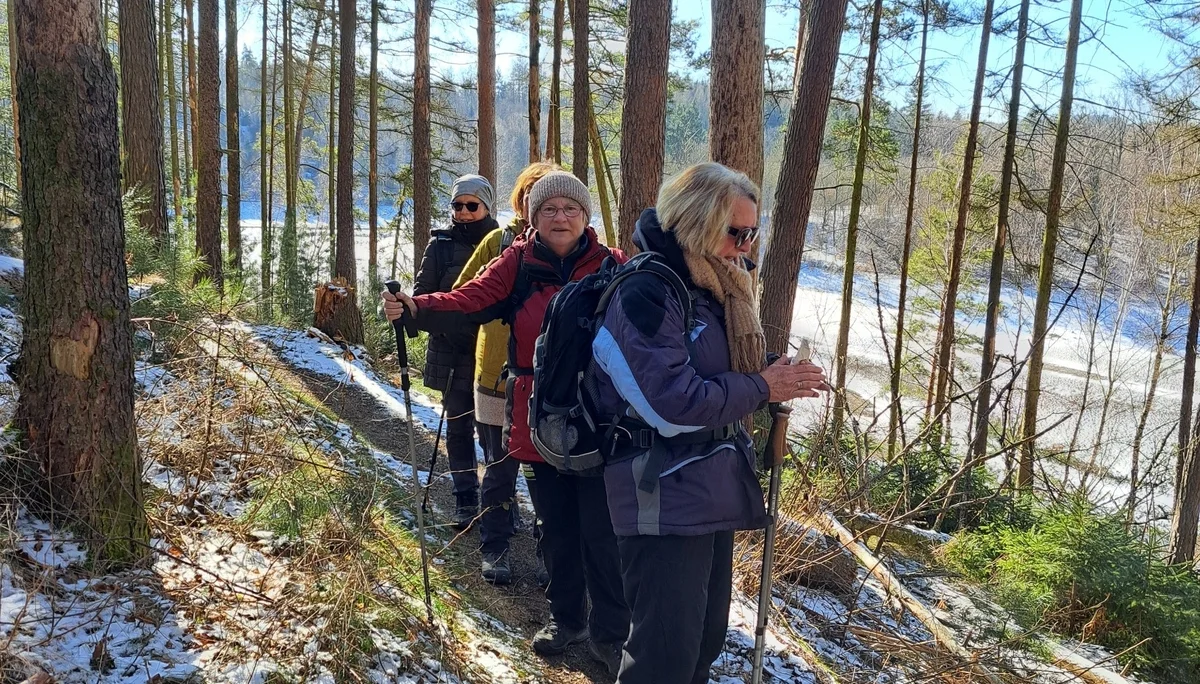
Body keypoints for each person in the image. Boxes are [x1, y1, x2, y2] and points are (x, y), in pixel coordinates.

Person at [589, 162, 830, 684]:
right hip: (659, 489)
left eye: (752, 231)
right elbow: (670, 403)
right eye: (735, 231)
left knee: (701, 647)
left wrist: (774, 370)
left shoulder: (718, 288)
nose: (746, 245)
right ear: (697, 220)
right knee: (663, 658)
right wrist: (764, 386)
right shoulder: (647, 292)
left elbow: (719, 367)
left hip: (711, 483)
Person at [383, 171, 631, 672]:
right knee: (556, 524)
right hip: (537, 415)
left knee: (601, 530)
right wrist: (415, 306)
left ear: (586, 216)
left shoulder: (612, 266)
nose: (560, 217)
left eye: (570, 208)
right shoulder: (516, 262)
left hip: (598, 419)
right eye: (549, 209)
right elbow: (468, 299)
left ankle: (611, 632)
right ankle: (567, 619)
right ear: (533, 217)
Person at [452, 162, 559, 585]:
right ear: (521, 200)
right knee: (499, 467)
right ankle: (494, 546)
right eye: (532, 193)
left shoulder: (571, 248)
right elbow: (466, 294)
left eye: (548, 195)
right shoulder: (499, 241)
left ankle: (549, 552)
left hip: (550, 381)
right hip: (496, 374)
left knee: (547, 474)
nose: (540, 201)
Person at [413, 174, 498, 530]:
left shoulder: (503, 244)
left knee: (493, 430)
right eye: (457, 205)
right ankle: (466, 497)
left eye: (471, 205)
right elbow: (421, 299)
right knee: (459, 427)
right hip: (452, 353)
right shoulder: (441, 247)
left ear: (486, 207)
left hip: (492, 354)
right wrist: (445, 328)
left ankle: (497, 500)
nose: (462, 212)